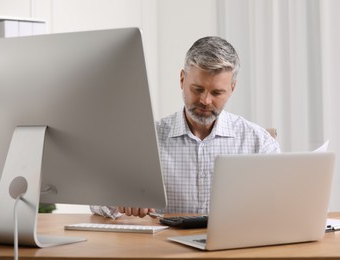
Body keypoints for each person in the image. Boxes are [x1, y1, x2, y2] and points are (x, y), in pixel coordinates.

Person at [91, 36, 280, 219]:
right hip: (166, 248)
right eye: (197, 89)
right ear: (182, 79)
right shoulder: (147, 139)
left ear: (232, 88)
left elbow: (283, 202)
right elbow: (96, 200)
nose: (205, 100)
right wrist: (122, 197)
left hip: (233, 248)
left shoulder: (259, 142)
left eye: (217, 92)